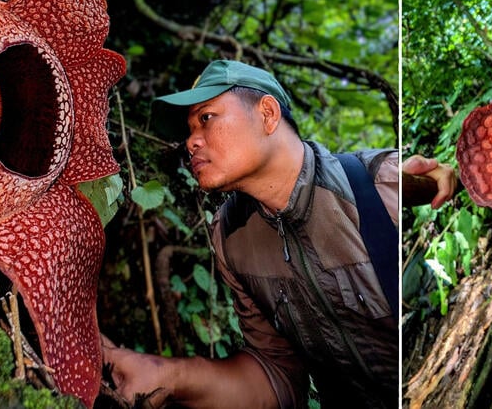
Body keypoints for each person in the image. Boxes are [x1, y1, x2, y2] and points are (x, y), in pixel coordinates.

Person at [102, 60, 455, 408]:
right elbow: (276, 374)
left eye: (206, 118)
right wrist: (169, 375)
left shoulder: (374, 184)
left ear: (268, 114)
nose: (191, 141)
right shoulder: (232, 238)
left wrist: (437, 177)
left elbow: (442, 179)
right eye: (189, 129)